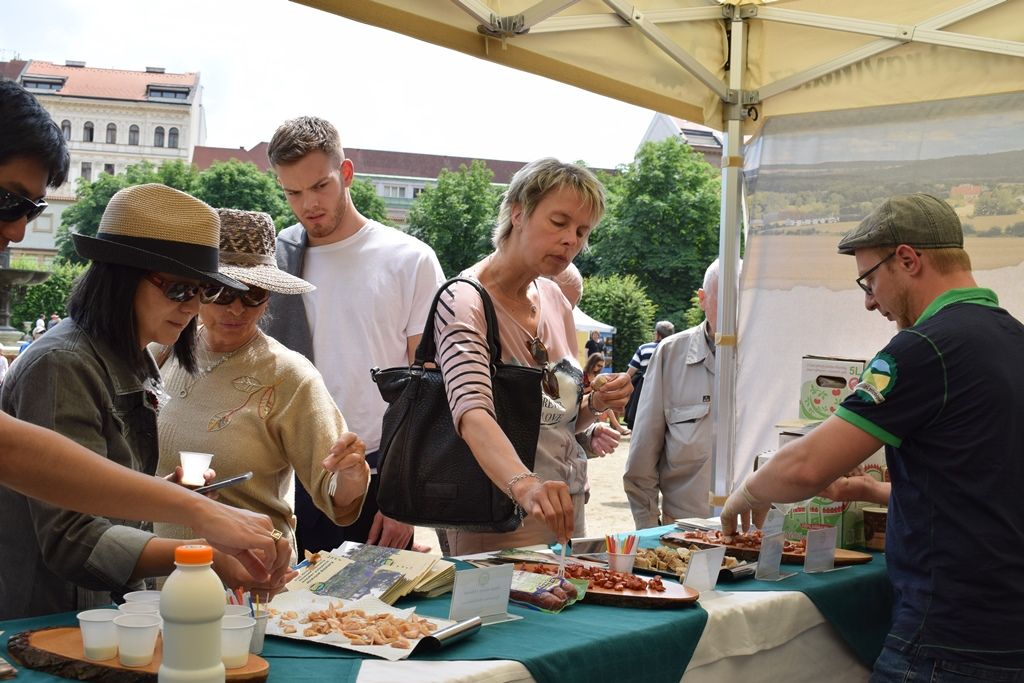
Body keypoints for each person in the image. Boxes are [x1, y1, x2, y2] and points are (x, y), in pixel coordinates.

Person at [721, 194, 1024, 679]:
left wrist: (747, 491)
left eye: (870, 280)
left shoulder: (923, 348)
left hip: (947, 637)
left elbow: (806, 466)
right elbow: (981, 485)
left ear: (907, 259)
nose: (868, 301)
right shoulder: (1014, 338)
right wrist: (866, 489)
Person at [0, 80, 285, 582]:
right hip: (48, 622)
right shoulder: (62, 363)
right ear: (119, 277)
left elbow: (82, 483)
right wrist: (200, 540)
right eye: (179, 290)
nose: (18, 230)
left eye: (203, 292)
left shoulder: (132, 358)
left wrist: (170, 495)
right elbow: (70, 534)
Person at [263, 116, 445, 553]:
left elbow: (431, 384)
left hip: (385, 469)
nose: (308, 204)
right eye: (293, 192)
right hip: (299, 467)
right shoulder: (277, 257)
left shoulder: (410, 258)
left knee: (382, 619)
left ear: (346, 175)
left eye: (320, 186)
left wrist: (405, 497)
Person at [433, 157, 632, 554]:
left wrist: (594, 404)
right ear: (518, 213)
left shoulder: (555, 297)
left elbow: (554, 419)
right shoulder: (463, 299)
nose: (571, 240)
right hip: (496, 517)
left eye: (581, 231)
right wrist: (525, 486)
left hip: (563, 506)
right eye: (559, 223)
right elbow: (472, 415)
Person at [155, 208, 370, 561]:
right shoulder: (164, 350)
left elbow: (336, 497)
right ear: (196, 288)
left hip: (250, 578)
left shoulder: (290, 375)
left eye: (254, 294)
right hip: (158, 575)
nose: (237, 308)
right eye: (221, 291)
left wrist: (353, 474)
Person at [623, 259, 732, 528]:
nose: (734, 312)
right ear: (703, 299)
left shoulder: (768, 358)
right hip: (683, 533)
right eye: (725, 300)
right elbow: (641, 463)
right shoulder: (670, 355)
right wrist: (650, 533)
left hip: (755, 536)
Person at [623, 320, 675, 427]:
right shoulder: (675, 349)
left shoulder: (644, 348)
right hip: (668, 389)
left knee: (639, 421)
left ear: (657, 334)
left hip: (644, 389)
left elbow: (629, 373)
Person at [583, 352, 630, 435]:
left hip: (594, 400)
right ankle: (617, 427)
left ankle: (606, 430)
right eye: (598, 365)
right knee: (605, 404)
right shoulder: (583, 375)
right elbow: (580, 391)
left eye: (601, 366)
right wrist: (592, 387)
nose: (599, 368)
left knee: (607, 402)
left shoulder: (597, 375)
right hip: (584, 400)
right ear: (592, 363)